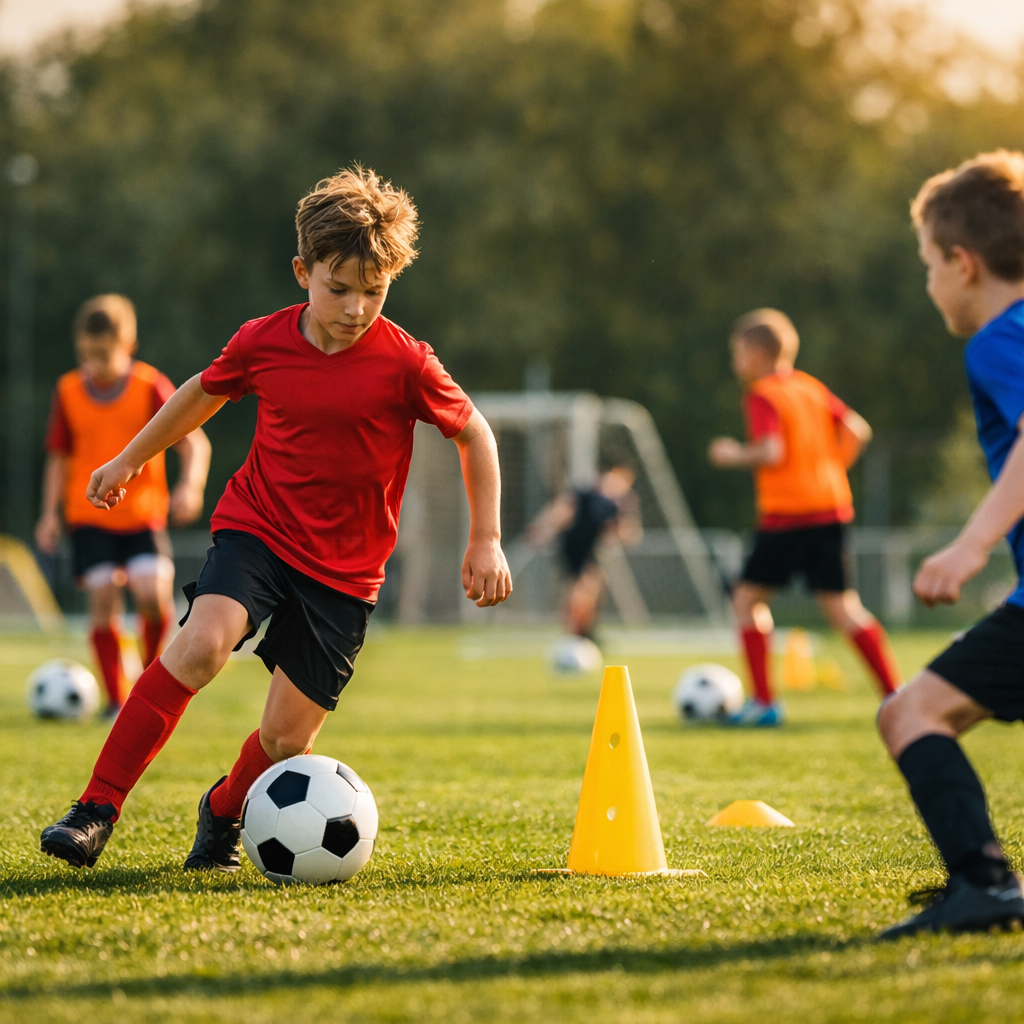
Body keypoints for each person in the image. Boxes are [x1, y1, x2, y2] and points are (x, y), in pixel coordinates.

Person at [39, 166, 512, 872]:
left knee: (288, 740)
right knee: (200, 647)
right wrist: (131, 458)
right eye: (339, 288)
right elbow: (201, 394)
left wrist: (486, 539)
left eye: (374, 292)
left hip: (347, 572)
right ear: (303, 272)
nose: (356, 308)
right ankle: (95, 808)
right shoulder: (263, 341)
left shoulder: (407, 362)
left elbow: (475, 433)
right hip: (258, 529)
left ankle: (223, 811)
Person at [876, 150, 1024, 937]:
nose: (929, 281)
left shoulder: (1003, 338)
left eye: (929, 264)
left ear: (963, 264)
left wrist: (970, 546)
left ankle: (985, 884)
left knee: (910, 716)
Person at [709, 309, 901, 726]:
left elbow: (771, 451)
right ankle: (895, 694)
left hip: (787, 515)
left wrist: (732, 454)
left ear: (758, 353)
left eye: (738, 352)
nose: (735, 362)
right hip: (831, 507)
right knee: (843, 607)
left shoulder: (763, 393)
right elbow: (857, 430)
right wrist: (830, 468)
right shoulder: (810, 387)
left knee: (746, 600)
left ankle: (764, 704)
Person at [35, 295, 210, 716]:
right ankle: (117, 700)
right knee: (101, 596)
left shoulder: (151, 386)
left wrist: (191, 485)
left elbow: (194, 443)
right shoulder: (68, 392)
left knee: (151, 594)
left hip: (142, 514)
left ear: (128, 346)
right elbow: (58, 460)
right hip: (88, 515)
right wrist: (48, 514)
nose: (94, 364)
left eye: (104, 354)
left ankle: (149, 683)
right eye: (87, 355)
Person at [528, 465, 641, 639]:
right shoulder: (588, 495)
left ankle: (584, 630)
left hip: (590, 548)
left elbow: (623, 534)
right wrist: (543, 529)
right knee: (580, 590)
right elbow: (562, 510)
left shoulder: (615, 503)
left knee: (593, 588)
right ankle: (575, 632)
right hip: (574, 545)